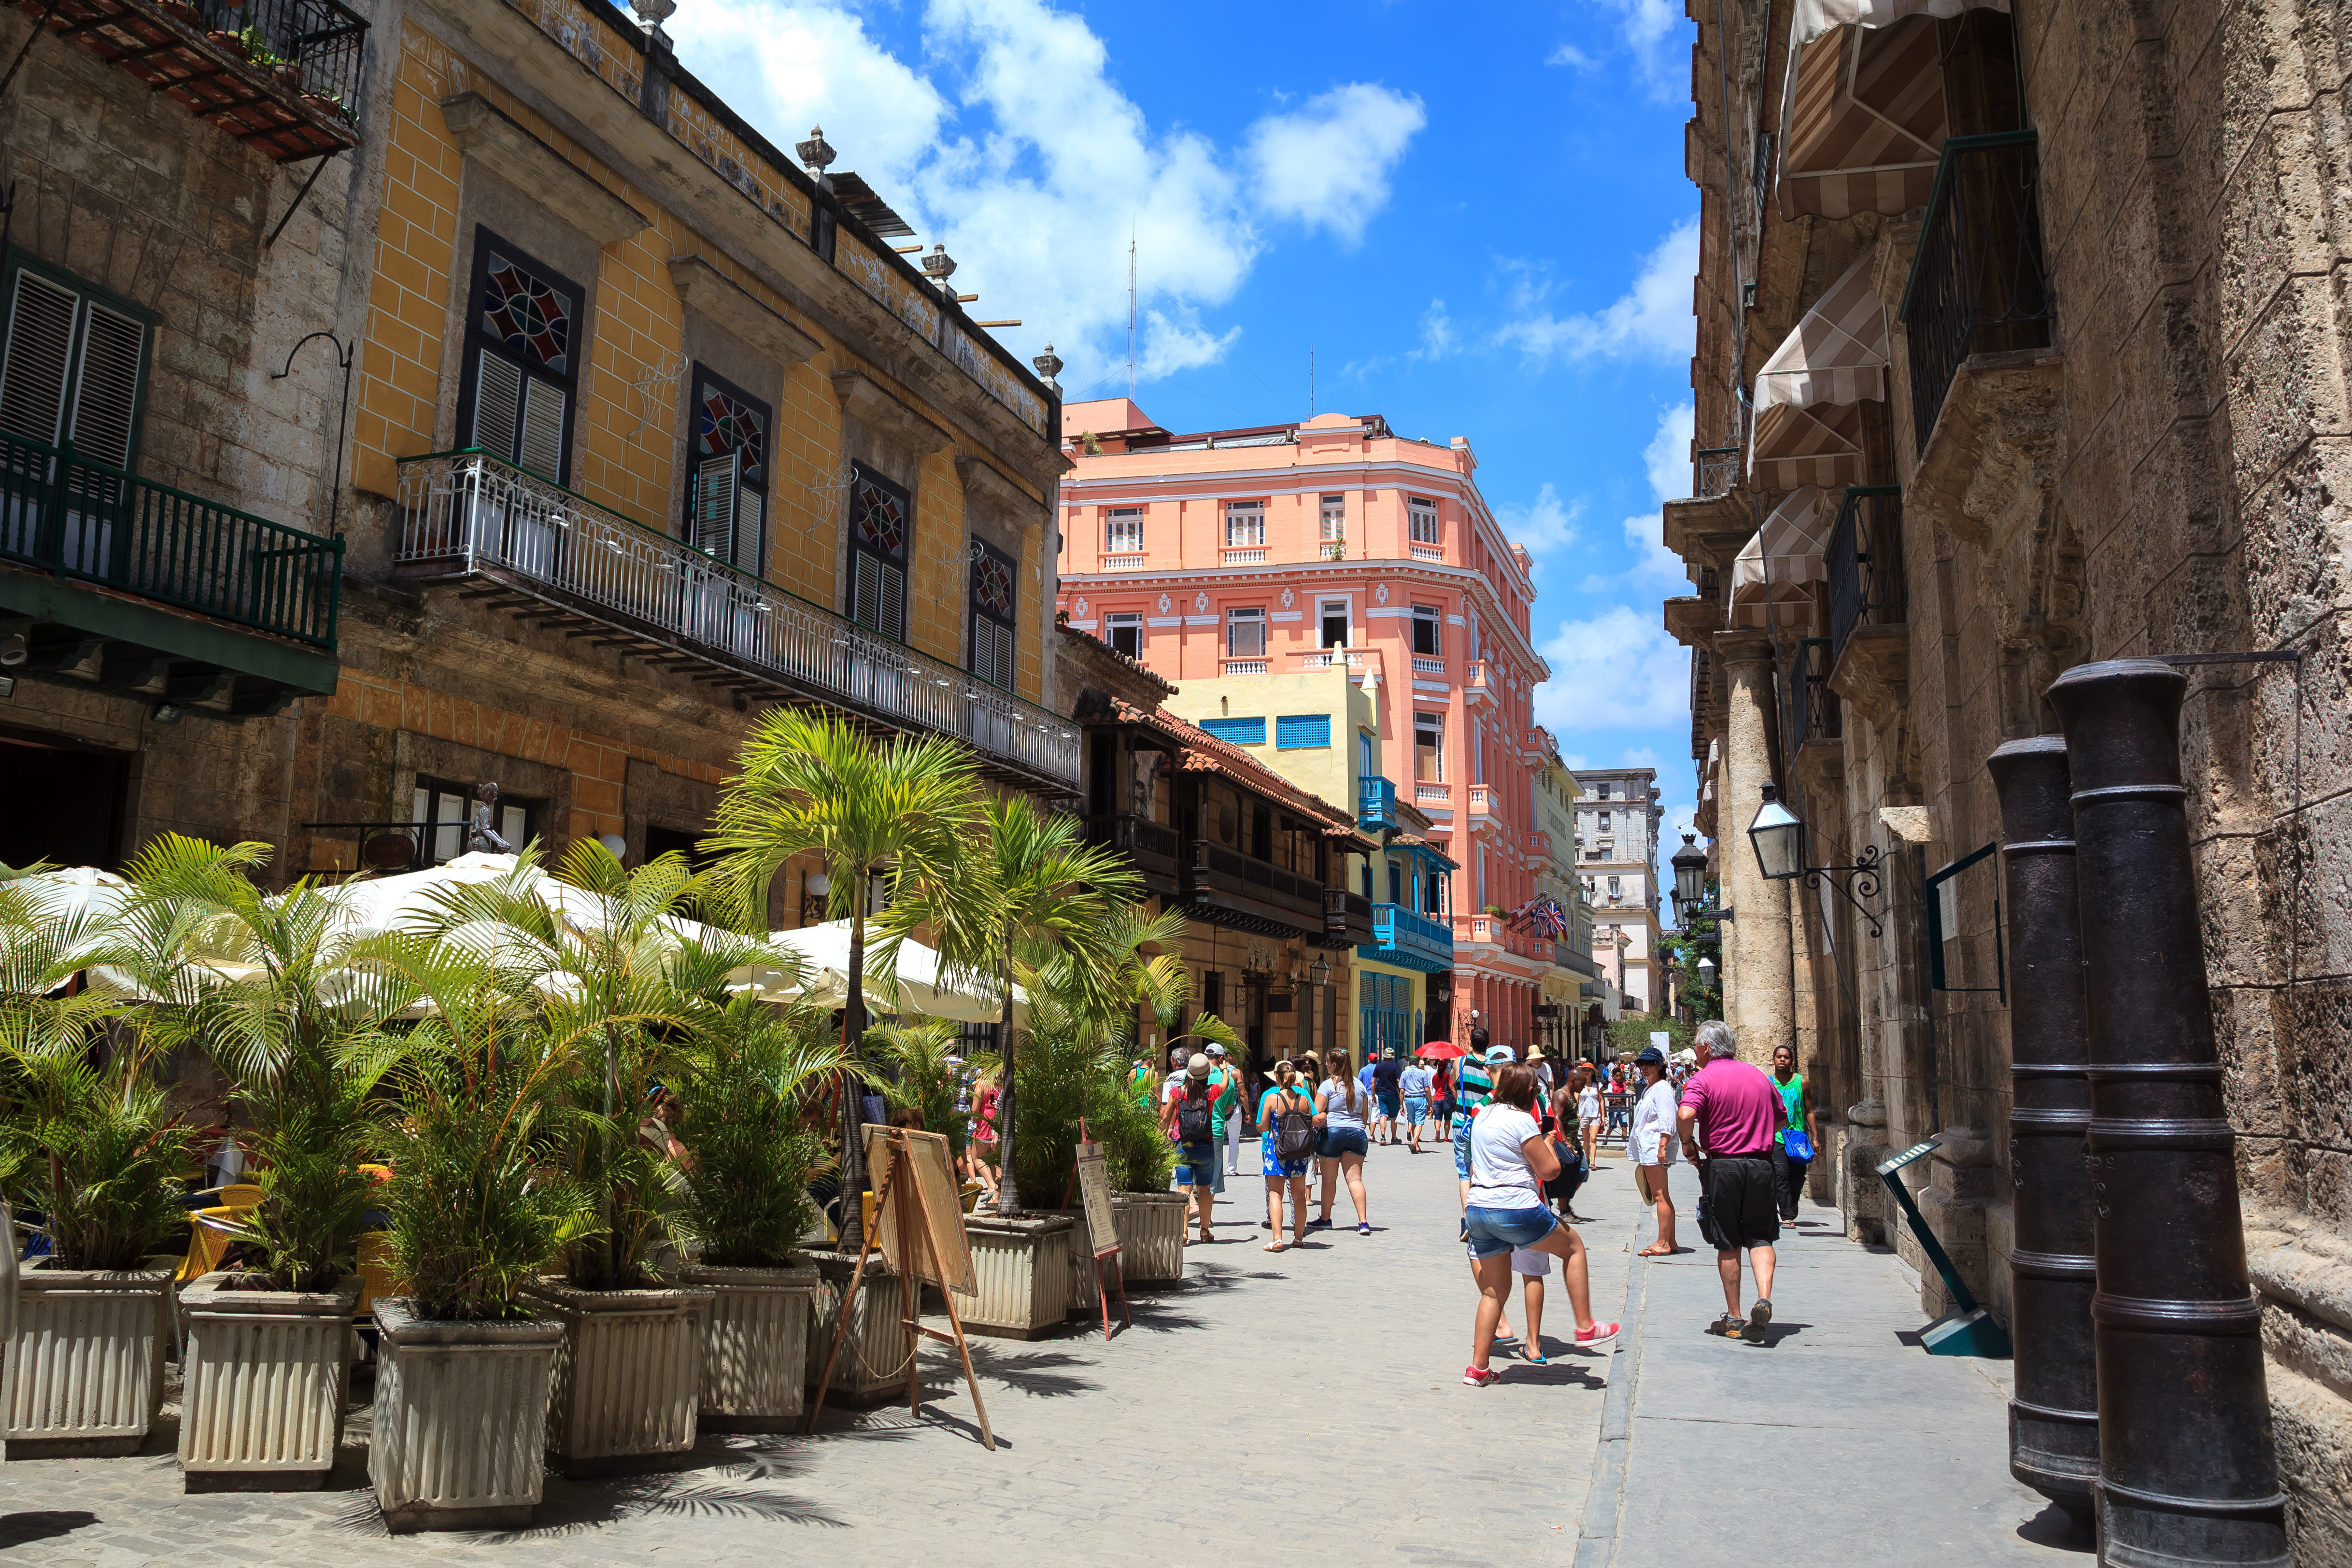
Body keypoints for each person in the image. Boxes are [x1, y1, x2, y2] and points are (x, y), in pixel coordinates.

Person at [1462, 1063, 1619, 1385]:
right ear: (1530, 1092)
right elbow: (1550, 1170)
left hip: (1479, 1207)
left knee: (1494, 1291)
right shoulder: (1521, 1120)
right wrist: (1548, 1141)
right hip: (1516, 1206)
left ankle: (1479, 1367)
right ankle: (1586, 1324)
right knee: (1573, 1247)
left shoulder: (1483, 1117)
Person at [1678, 1019, 1784, 1342]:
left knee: (1728, 1241)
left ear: (1706, 1048)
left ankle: (1735, 1317)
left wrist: (1687, 1144)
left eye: (1697, 1046)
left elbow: (1685, 1115)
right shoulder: (1758, 1076)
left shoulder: (1702, 1078)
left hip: (1724, 1165)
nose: (1696, 1052)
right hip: (1762, 1164)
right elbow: (1782, 1118)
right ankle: (1763, 1297)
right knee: (1761, 1235)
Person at [1162, 1054, 1221, 1244]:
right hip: (1206, 1146)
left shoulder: (1177, 1093)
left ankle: (1184, 1232)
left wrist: (1159, 1138)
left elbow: (1165, 1119)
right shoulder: (1212, 1092)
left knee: (1183, 1189)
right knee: (1204, 1189)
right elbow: (1227, 1084)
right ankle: (1204, 1231)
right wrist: (1226, 1069)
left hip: (1183, 1146)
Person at [1627, 1045, 1680, 1256]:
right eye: (1642, 1064)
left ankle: (1663, 1243)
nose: (1645, 1067)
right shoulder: (1652, 1087)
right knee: (1663, 1195)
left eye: (1651, 1064)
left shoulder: (1663, 1088)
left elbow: (1668, 1119)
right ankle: (1670, 1241)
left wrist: (1663, 1146)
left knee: (1660, 1196)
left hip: (1655, 1147)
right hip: (1649, 1147)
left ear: (1660, 1066)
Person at [1310, 1050, 1372, 1233]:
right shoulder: (1359, 1086)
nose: (1326, 1065)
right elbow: (1365, 1117)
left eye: (1328, 1062)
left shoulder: (1328, 1085)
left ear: (1334, 1065)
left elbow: (1318, 1114)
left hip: (1333, 1133)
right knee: (1355, 1179)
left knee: (1329, 1180)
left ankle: (1326, 1218)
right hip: (1357, 1134)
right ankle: (1363, 1223)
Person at [1259, 1059, 1317, 1251]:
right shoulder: (1305, 1099)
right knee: (1299, 1196)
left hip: (1277, 1152)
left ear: (1277, 1077)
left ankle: (1277, 1239)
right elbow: (1311, 1122)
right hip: (1300, 1152)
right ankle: (1299, 1238)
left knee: (1276, 1194)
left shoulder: (1272, 1099)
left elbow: (1264, 1127)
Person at [1453, 1036, 1503, 1213]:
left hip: (1462, 1124)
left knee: (1465, 1173)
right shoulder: (1493, 1067)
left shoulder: (1461, 1062)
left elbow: (1453, 1080)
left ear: (1470, 1044)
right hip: (1486, 1124)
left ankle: (1468, 1218)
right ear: (1488, 1045)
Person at [1770, 1043, 1818, 1222]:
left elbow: (1809, 1111)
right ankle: (1787, 1216)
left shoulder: (1801, 1082)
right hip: (1777, 1137)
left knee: (1797, 1177)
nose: (1783, 1060)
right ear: (1773, 1060)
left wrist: (1816, 1139)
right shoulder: (1768, 1083)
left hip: (1798, 1137)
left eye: (1787, 1057)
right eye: (1779, 1057)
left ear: (1792, 1061)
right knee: (1781, 1175)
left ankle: (1793, 1202)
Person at [1208, 1043, 1246, 1177]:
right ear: (1227, 1057)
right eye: (1235, 1056)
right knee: (1234, 1140)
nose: (1238, 1059)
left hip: (1215, 1113)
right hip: (1233, 1109)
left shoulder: (1207, 1073)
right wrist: (1248, 1111)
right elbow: (1243, 1094)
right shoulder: (1235, 1073)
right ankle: (1231, 1169)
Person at [1399, 1053, 1433, 1153]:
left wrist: (1401, 1105)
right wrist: (1430, 1104)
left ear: (1409, 1063)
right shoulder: (1423, 1073)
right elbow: (1427, 1090)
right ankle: (1414, 1142)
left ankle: (1417, 1146)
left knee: (1413, 1121)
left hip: (1409, 1099)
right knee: (1419, 1122)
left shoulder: (1404, 1074)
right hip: (1420, 1099)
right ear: (1419, 1063)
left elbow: (1402, 1091)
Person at [1370, 1047, 1404, 1144]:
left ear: (1384, 1057)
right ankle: (1393, 1138)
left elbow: (1373, 1083)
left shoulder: (1378, 1067)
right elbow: (1399, 1081)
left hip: (1382, 1095)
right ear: (1392, 1058)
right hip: (1393, 1095)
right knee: (1393, 1117)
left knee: (1383, 1115)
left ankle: (1383, 1137)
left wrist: (1373, 1095)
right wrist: (1402, 1093)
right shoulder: (1396, 1067)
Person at [1575, 1065, 1603, 1171]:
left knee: (1593, 1138)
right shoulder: (1580, 1085)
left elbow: (1601, 1100)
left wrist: (1604, 1117)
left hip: (1595, 1115)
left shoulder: (1598, 1085)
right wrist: (1577, 1112)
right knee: (1586, 1140)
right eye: (1585, 1070)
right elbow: (1576, 1100)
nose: (1587, 1072)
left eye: (1589, 1070)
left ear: (1593, 1073)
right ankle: (1587, 1159)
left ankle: (1593, 1162)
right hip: (1583, 1115)